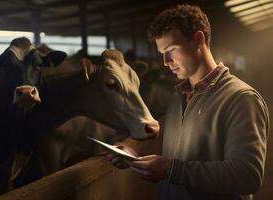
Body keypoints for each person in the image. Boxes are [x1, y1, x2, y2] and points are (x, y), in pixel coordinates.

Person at [105, 4, 269, 200]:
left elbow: (247, 176)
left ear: (199, 39)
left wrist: (173, 171)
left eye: (172, 49)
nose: (166, 61)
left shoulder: (241, 98)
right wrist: (133, 157)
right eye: (161, 53)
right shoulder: (178, 97)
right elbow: (178, 155)